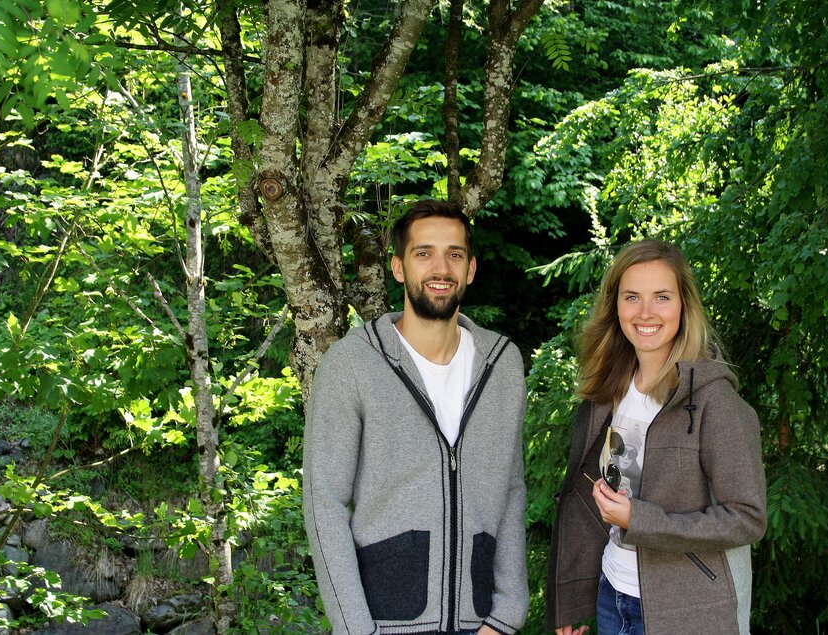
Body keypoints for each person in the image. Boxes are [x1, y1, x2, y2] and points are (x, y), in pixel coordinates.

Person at [303, 200, 529, 635]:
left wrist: (507, 613)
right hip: (383, 624)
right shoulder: (352, 364)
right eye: (424, 253)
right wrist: (356, 630)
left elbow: (511, 488)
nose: (440, 268)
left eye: (454, 254)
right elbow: (323, 502)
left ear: (471, 269)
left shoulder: (502, 363)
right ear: (398, 267)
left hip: (479, 623)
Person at [544, 240, 767, 635]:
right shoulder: (608, 392)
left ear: (684, 305)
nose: (645, 312)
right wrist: (574, 599)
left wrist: (640, 520)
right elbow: (590, 501)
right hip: (612, 595)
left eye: (662, 297)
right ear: (615, 305)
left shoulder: (715, 402)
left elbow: (747, 519)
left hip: (685, 611)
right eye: (632, 296)